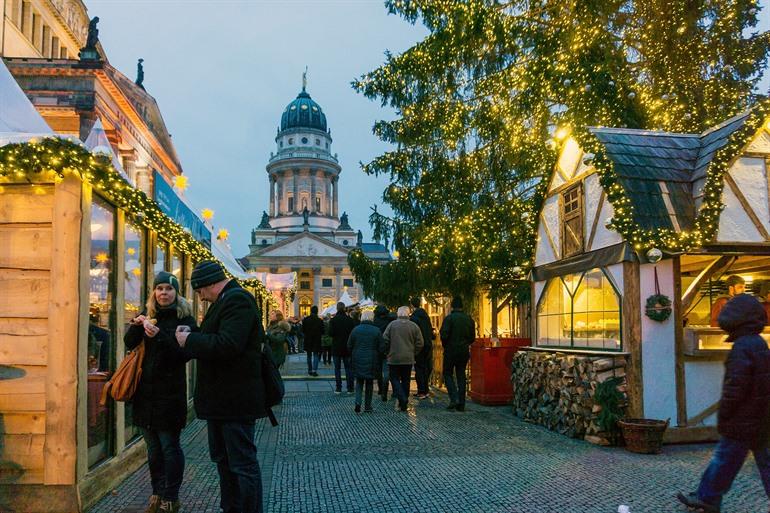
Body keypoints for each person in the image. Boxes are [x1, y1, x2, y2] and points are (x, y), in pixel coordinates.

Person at [175, 260, 266, 513]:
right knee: (225, 462)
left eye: (200, 290)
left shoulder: (237, 300)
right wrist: (191, 333)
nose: (200, 297)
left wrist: (190, 339)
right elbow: (217, 336)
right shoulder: (226, 300)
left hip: (234, 400)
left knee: (241, 464)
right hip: (222, 401)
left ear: (212, 283)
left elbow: (228, 344)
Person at [677, 293, 770, 513]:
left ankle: (707, 498)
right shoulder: (758, 343)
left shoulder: (743, 347)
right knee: (754, 462)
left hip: (743, 419)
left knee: (724, 460)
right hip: (760, 417)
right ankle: (707, 496)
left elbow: (735, 388)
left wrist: (726, 415)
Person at [125, 272, 196, 513]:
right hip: (145, 394)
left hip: (170, 394)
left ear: (176, 293)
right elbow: (128, 343)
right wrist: (136, 326)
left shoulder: (185, 319)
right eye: (159, 289)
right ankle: (156, 493)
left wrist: (162, 337)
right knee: (153, 450)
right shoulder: (148, 317)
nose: (163, 293)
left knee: (169, 447)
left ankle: (171, 497)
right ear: (153, 293)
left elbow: (185, 354)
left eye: (168, 288)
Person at [383, 306, 424, 411]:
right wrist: (414, 352)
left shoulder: (391, 325)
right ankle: (404, 402)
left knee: (394, 378)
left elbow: (385, 340)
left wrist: (387, 352)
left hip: (394, 357)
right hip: (408, 358)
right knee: (406, 380)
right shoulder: (414, 326)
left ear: (398, 314)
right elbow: (420, 343)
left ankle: (402, 397)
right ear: (408, 314)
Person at [440, 296, 476, 412]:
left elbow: (444, 335)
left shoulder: (449, 319)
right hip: (463, 350)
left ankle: (453, 397)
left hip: (451, 350)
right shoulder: (469, 319)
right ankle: (462, 402)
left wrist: (446, 345)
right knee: (461, 375)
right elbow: (472, 338)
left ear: (452, 306)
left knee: (447, 373)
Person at [347, 310, 385, 413]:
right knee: (369, 383)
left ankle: (358, 403)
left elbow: (349, 345)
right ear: (371, 318)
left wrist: (353, 353)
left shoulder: (355, 330)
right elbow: (382, 347)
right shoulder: (376, 330)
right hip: (372, 359)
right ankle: (368, 406)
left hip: (357, 358)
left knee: (359, 382)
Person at [410, 297, 435, 400]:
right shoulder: (426, 316)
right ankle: (426, 390)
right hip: (428, 345)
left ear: (412, 305)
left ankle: (421, 391)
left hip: (419, 345)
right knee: (426, 367)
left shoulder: (414, 318)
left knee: (419, 368)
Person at [329, 302, 356, 394]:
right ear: (344, 308)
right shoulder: (349, 320)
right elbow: (353, 333)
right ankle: (350, 388)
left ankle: (338, 388)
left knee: (337, 369)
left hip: (336, 347)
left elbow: (330, 333)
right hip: (347, 347)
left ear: (337, 309)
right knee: (348, 368)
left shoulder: (333, 320)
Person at [373, 305, 395, 401]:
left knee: (378, 371)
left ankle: (381, 389)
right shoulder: (390, 321)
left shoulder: (374, 322)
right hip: (388, 348)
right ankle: (391, 389)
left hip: (377, 349)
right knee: (389, 371)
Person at [302, 306, 324, 376]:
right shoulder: (320, 321)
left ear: (311, 311)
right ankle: (314, 370)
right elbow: (323, 331)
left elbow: (303, 330)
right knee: (316, 355)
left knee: (309, 355)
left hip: (308, 340)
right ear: (317, 311)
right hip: (317, 340)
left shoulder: (306, 320)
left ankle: (310, 370)